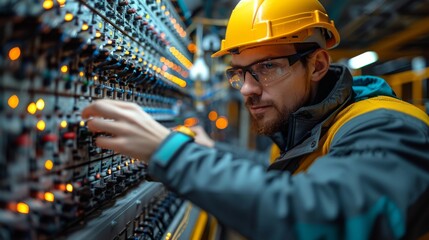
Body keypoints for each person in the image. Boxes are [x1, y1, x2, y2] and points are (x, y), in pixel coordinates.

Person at [82, 0, 429, 239]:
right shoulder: (308, 127)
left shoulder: (387, 126)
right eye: (239, 73)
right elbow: (284, 178)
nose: (247, 88)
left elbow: (324, 220)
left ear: (318, 65)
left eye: (267, 67)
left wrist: (173, 154)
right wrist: (208, 154)